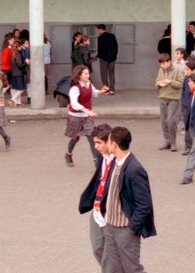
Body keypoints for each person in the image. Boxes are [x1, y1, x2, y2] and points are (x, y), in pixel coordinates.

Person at [98, 126, 156, 273]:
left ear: (115, 145)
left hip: (125, 229)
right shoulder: (115, 163)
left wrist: (132, 228)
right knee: (110, 268)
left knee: (131, 269)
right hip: (110, 227)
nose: (107, 144)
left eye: (109, 141)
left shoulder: (134, 168)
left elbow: (144, 204)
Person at [77, 123, 114, 266]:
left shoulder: (120, 162)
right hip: (97, 210)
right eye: (95, 143)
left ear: (110, 142)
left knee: (116, 254)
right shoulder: (101, 158)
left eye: (99, 143)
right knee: (98, 248)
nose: (96, 147)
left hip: (111, 212)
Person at [64, 65, 109, 167]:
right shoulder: (74, 89)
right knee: (75, 138)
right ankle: (68, 154)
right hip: (75, 116)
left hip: (86, 116)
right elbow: (74, 103)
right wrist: (86, 111)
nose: (88, 75)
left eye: (88, 73)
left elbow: (94, 93)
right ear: (79, 75)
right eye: (86, 73)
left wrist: (101, 91)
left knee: (91, 137)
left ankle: (97, 161)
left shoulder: (89, 84)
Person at [155, 53, 183, 152]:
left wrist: (170, 81)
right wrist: (159, 84)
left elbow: (181, 83)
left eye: (163, 64)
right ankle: (167, 141)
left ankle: (173, 143)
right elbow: (157, 82)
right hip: (163, 97)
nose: (162, 66)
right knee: (163, 121)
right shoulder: (160, 71)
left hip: (173, 98)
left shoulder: (177, 70)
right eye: (161, 64)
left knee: (171, 121)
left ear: (169, 62)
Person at [96, 24, 118, 95]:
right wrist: (114, 55)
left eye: (98, 29)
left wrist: (99, 56)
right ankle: (112, 89)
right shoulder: (112, 36)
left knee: (104, 74)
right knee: (111, 73)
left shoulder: (100, 38)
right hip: (112, 58)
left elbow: (100, 49)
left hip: (103, 59)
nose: (98, 31)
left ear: (100, 29)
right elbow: (116, 46)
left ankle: (106, 89)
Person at [9, 41, 27, 107]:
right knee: (21, 89)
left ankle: (18, 103)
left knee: (16, 89)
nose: (21, 47)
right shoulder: (18, 54)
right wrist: (26, 63)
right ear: (18, 47)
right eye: (20, 46)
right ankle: (12, 99)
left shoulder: (12, 54)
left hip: (13, 73)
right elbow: (20, 65)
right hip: (19, 74)